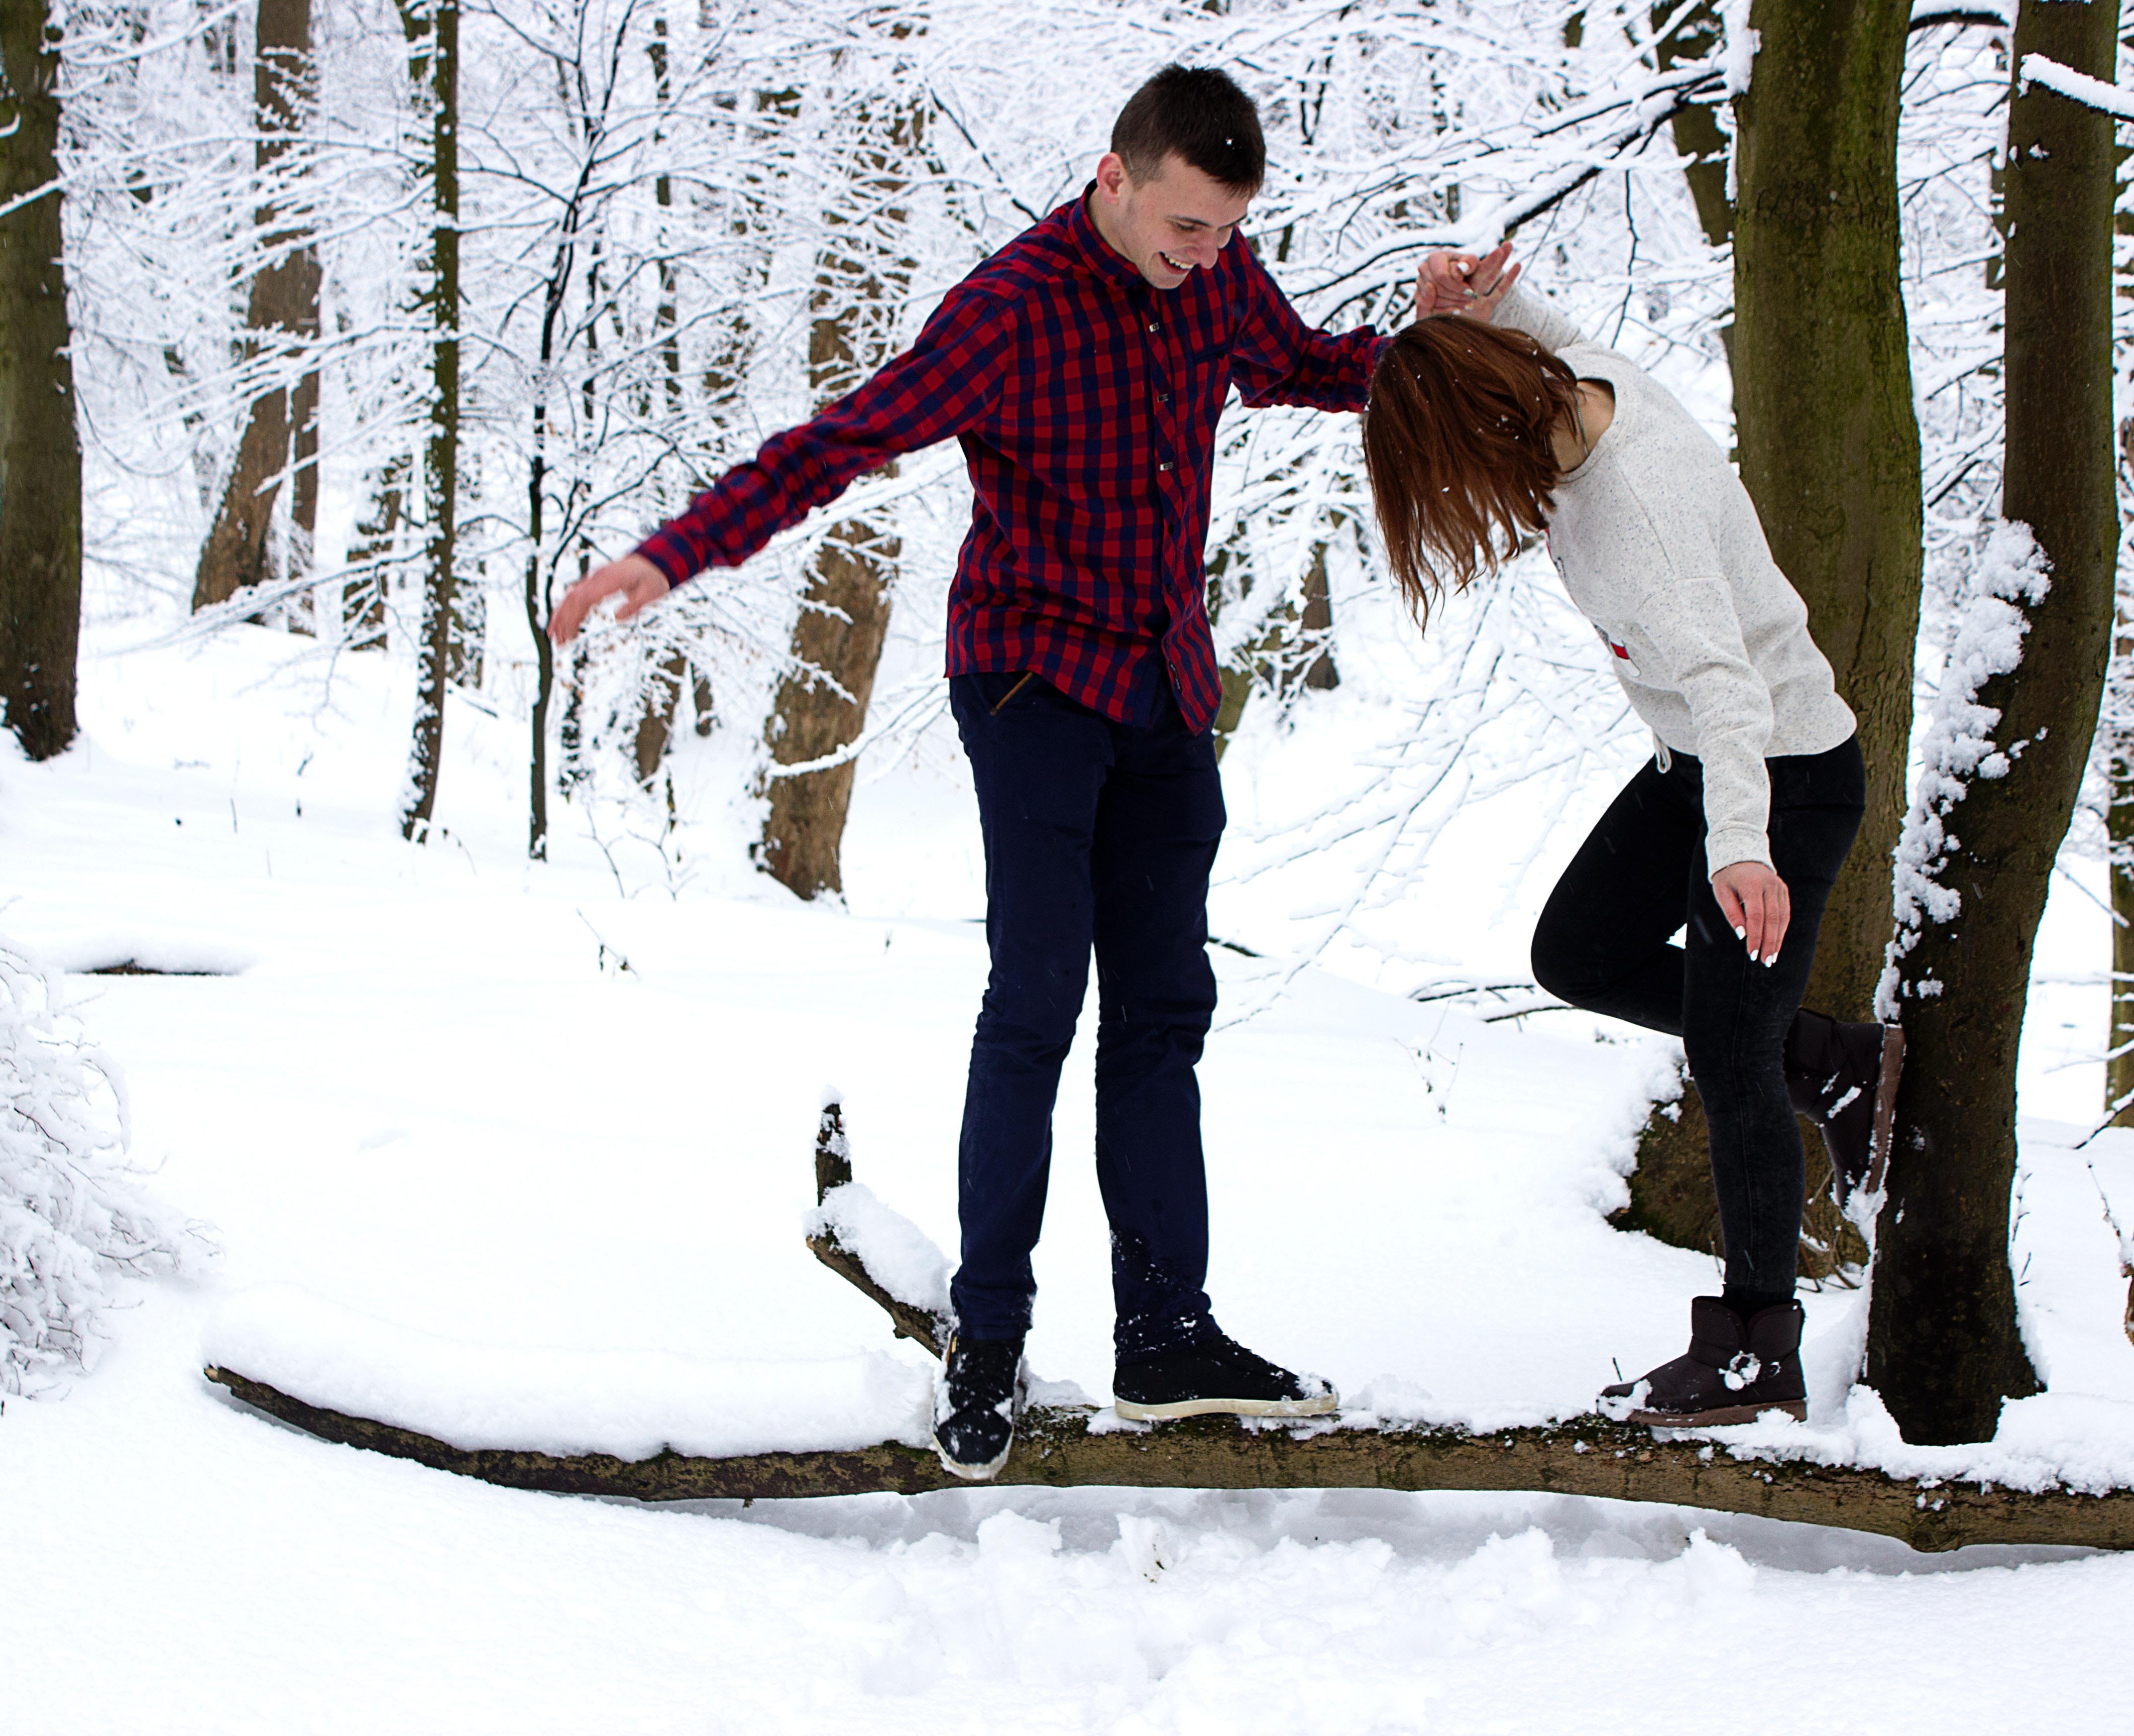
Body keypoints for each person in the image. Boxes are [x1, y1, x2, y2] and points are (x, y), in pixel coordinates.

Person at [551, 66, 1498, 1477]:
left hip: (1168, 682)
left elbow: (1304, 366)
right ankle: (987, 1334)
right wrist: (672, 554)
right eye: (1182, 226)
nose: (1204, 259)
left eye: (1224, 234)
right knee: (1040, 994)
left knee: (1166, 1008)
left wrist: (1423, 341)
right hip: (1033, 679)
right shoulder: (1008, 313)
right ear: (1114, 178)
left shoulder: (1218, 280)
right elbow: (839, 445)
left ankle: (1168, 1333)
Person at [1371, 256, 1905, 1428]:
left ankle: (1758, 1352)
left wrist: (1741, 850)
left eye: (1460, 473)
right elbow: (1549, 339)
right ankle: (1833, 1061)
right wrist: (1485, 311)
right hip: (1690, 766)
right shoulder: (1581, 384)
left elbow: (1729, 691)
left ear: (1496, 426)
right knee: (1577, 951)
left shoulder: (1639, 521)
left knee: (1729, 1057)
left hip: (1779, 777)